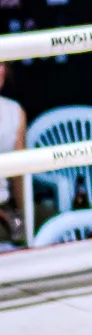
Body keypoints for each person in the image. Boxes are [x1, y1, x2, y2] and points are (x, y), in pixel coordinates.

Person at [0, 62, 27, 246]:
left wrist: (24, 217)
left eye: (3, 63)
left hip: (6, 205)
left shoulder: (15, 111)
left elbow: (19, 176)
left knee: (50, 220)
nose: (1, 69)